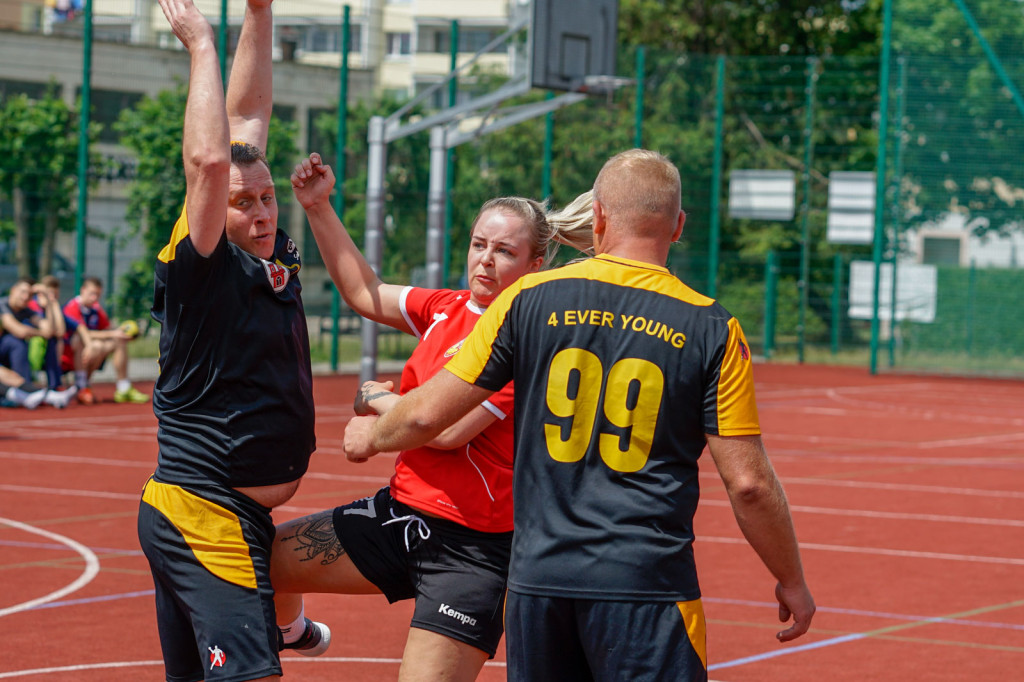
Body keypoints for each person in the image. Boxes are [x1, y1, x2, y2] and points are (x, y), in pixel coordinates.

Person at [343, 149, 816, 681]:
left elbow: (425, 416)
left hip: (539, 581)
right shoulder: (713, 329)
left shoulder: (527, 297)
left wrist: (372, 433)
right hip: (645, 585)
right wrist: (791, 578)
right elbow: (749, 484)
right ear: (679, 226)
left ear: (599, 217)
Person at [270, 151, 594, 681]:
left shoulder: (527, 339)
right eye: (478, 244)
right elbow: (366, 292)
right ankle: (291, 631)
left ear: (535, 266)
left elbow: (443, 431)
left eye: (504, 251)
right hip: (399, 515)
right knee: (259, 561)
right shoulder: (448, 307)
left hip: (471, 551)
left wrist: (374, 403)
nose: (485, 260)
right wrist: (318, 207)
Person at [137, 1, 321, 680]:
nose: (264, 211)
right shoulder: (202, 264)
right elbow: (212, 161)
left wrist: (259, 12)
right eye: (246, 204)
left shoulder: (267, 252)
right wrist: (201, 44)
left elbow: (243, 125)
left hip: (222, 513)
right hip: (205, 515)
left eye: (268, 198)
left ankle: (292, 626)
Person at [61, 276, 147, 405]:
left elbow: (107, 329)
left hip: (91, 350)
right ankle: (81, 386)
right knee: (86, 341)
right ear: (83, 290)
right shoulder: (72, 307)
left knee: (118, 340)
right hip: (69, 354)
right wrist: (111, 333)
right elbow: (83, 332)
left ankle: (123, 387)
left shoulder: (96, 309)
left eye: (98, 294)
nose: (95, 298)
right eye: (92, 293)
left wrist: (122, 333)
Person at [27, 275, 80, 407]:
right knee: (51, 341)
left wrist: (53, 305)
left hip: (48, 347)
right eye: (50, 294)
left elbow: (61, 331)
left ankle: (56, 387)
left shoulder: (54, 307)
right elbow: (49, 331)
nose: (53, 298)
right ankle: (52, 387)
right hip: (30, 346)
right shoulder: (32, 306)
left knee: (56, 341)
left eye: (55, 295)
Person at [1, 278, 59, 384]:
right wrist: (41, 333)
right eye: (23, 292)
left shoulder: (25, 311)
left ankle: (53, 385)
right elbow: (19, 331)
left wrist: (47, 299)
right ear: (13, 290)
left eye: (30, 294)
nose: (25, 297)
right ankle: (25, 387)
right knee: (15, 342)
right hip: (6, 349)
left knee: (51, 340)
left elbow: (49, 330)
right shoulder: (2, 305)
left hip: (8, 353)